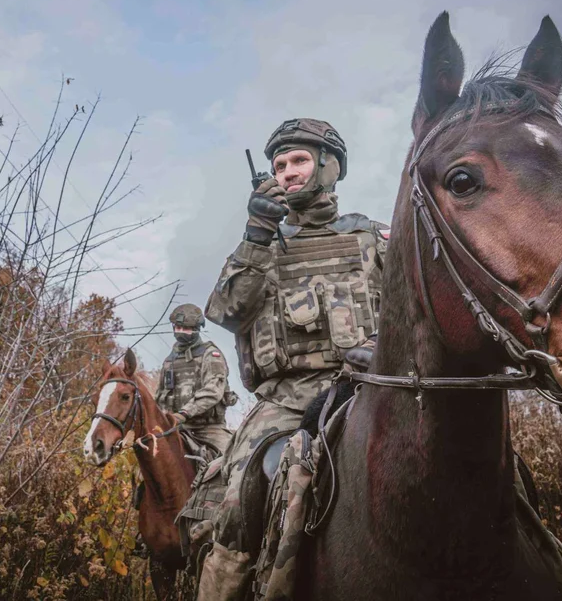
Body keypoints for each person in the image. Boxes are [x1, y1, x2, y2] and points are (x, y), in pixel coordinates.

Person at [196, 118, 388, 600]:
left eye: (299, 160)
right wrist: (257, 233)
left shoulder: (374, 238)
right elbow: (225, 312)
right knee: (238, 501)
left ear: (330, 167)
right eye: (279, 165)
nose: (287, 172)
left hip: (371, 388)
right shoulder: (258, 244)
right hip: (284, 400)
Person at [155, 303, 236, 457]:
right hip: (175, 428)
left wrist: (184, 413)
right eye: (177, 328)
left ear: (196, 329)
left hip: (209, 430)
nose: (180, 332)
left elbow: (213, 391)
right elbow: (160, 398)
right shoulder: (169, 361)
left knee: (231, 461)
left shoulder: (211, 355)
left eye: (185, 328)